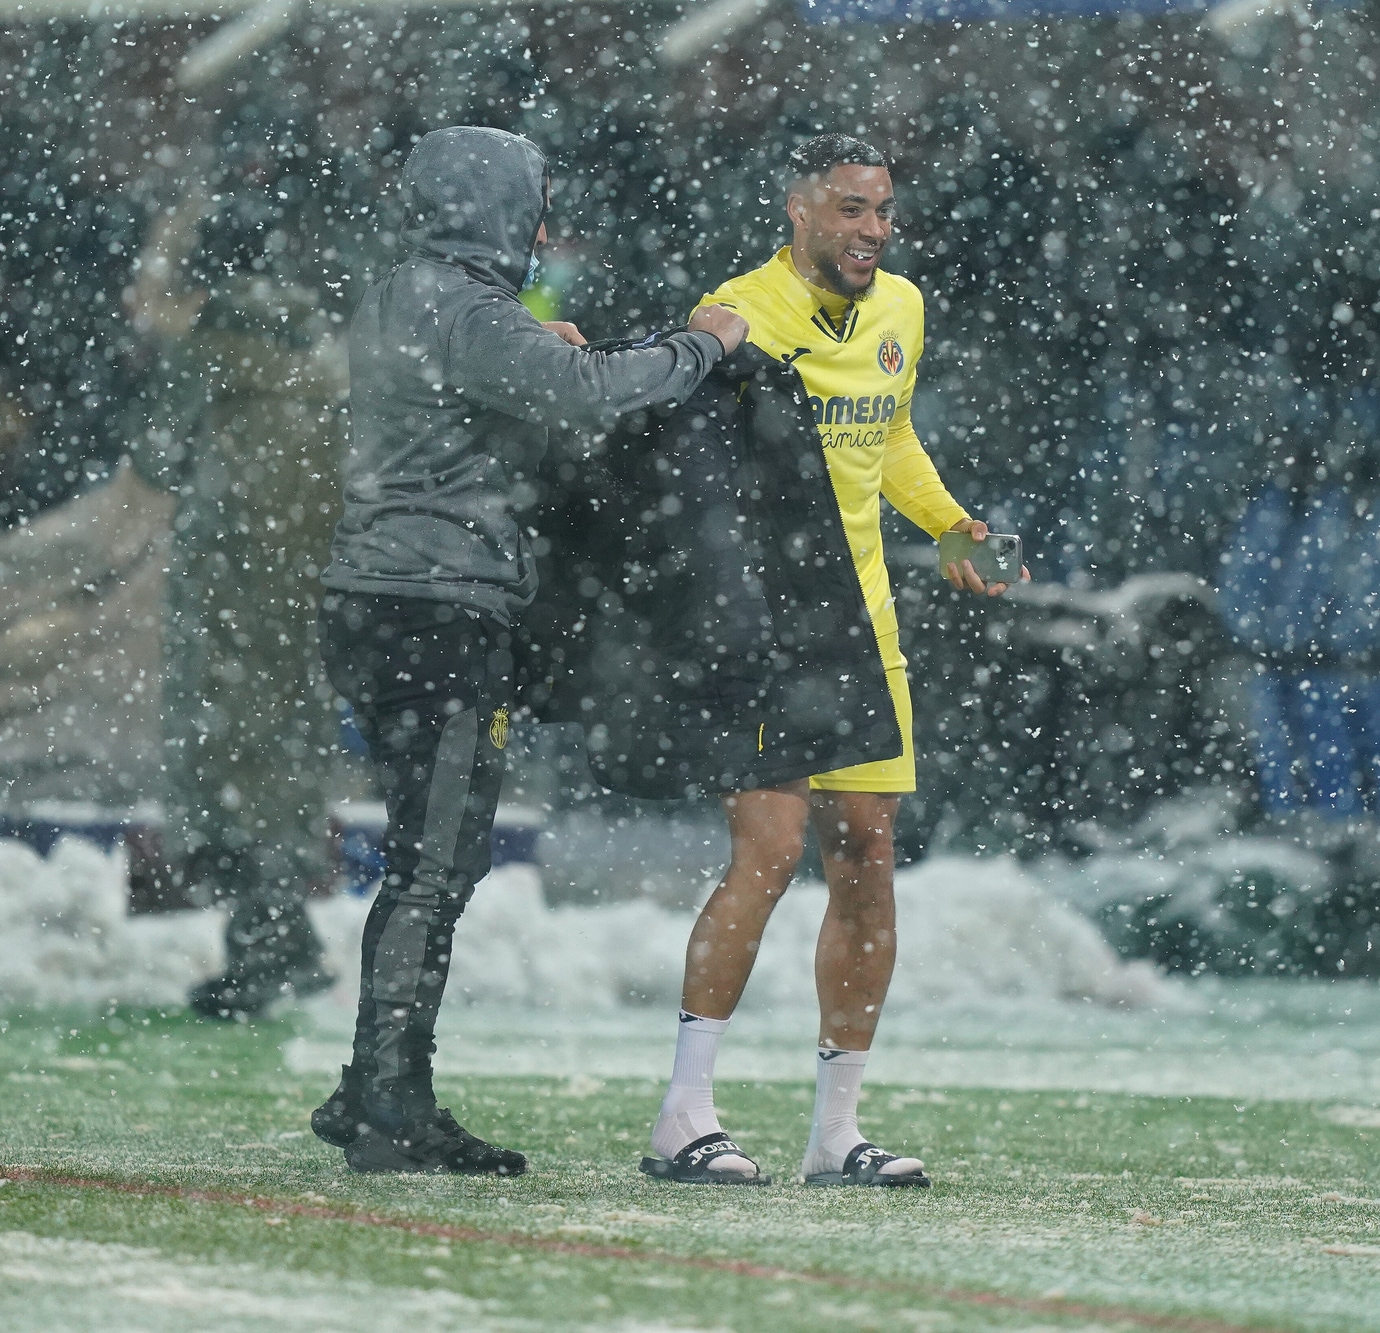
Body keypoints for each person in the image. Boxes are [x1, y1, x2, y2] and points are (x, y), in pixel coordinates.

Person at [308, 125, 748, 1175]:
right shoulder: (466, 309)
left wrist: (539, 348)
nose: (544, 233)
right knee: (434, 863)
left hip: (377, 593)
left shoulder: (402, 293)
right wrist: (703, 345)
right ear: (496, 209)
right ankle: (389, 1101)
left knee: (422, 857)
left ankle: (372, 1083)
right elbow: (589, 393)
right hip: (439, 607)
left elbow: (489, 392)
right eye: (535, 211)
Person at [638, 134, 1025, 1189]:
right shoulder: (736, 314)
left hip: (862, 628)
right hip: (764, 629)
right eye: (851, 209)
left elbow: (888, 436)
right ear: (798, 209)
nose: (872, 231)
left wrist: (948, 524)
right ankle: (683, 1114)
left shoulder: (901, 308)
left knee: (865, 857)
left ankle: (835, 1134)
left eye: (883, 211)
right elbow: (694, 480)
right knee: (766, 850)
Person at [127, 192, 351, 1019]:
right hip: (307, 578)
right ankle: (281, 936)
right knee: (284, 751)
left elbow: (155, 456)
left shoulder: (209, 349)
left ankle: (265, 945)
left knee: (222, 756)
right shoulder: (328, 354)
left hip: (225, 581)